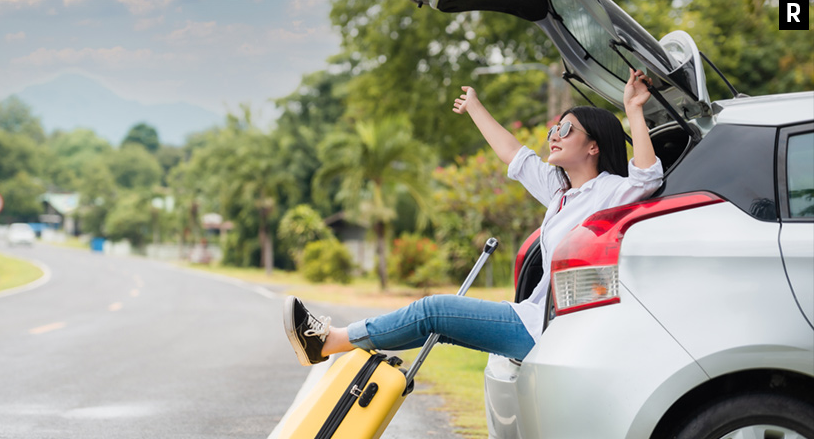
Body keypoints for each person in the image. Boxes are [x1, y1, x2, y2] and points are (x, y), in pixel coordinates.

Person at [284, 68, 663, 366]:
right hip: (531, 315)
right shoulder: (561, 193)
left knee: (433, 310)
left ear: (594, 145)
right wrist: (475, 107)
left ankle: (330, 341)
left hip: (545, 327)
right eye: (553, 128)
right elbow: (514, 154)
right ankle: (334, 341)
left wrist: (633, 109)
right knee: (436, 317)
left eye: (566, 129)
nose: (554, 135)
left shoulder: (610, 191)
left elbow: (648, 176)